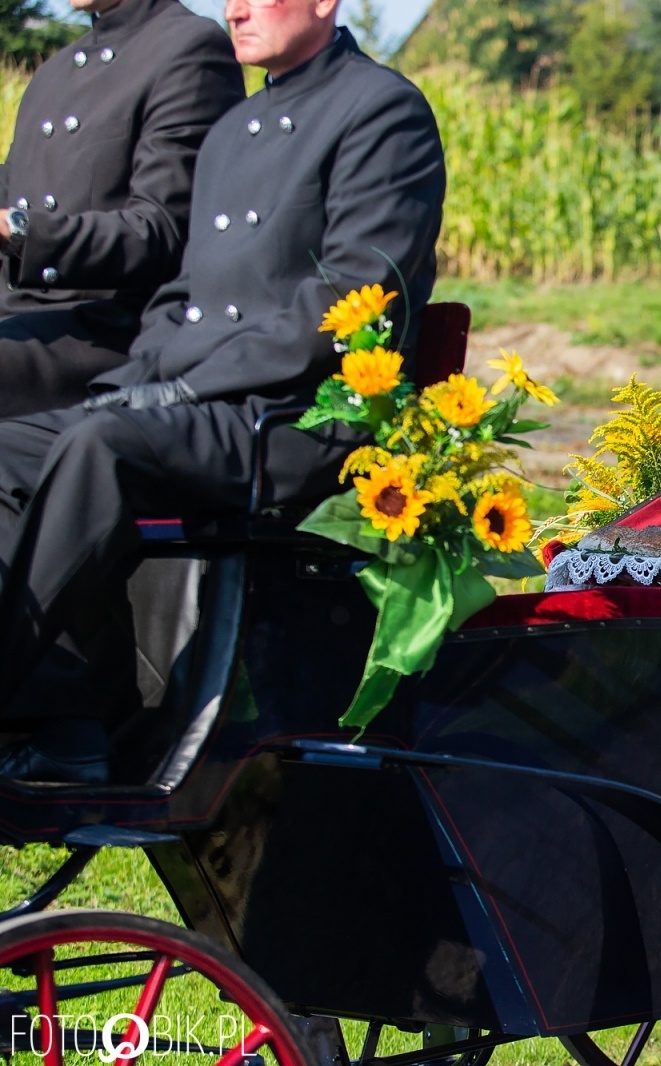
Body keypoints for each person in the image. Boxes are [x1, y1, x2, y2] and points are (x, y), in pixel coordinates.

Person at [0, 0, 446, 784]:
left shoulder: (382, 109)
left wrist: (178, 391)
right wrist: (130, 385)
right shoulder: (234, 131)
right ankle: (66, 713)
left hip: (294, 417)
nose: (233, 9)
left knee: (98, 446)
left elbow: (356, 299)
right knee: (14, 445)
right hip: (204, 400)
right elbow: (180, 299)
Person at [0, 0, 245, 416]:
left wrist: (21, 232)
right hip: (20, 320)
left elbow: (161, 232)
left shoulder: (190, 49)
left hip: (107, 338)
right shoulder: (53, 72)